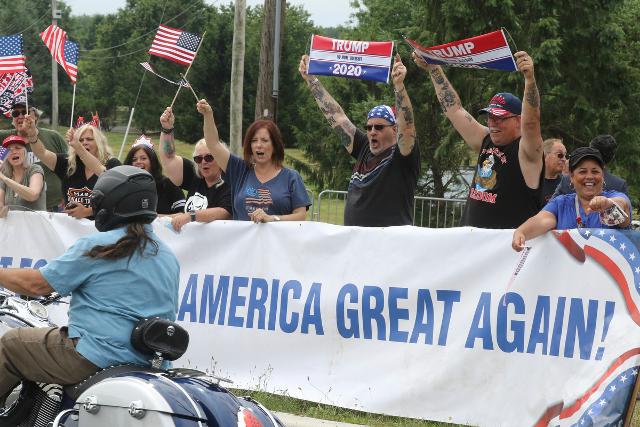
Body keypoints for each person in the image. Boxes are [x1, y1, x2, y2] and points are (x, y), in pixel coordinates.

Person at [0, 165, 180, 400]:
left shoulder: (101, 245)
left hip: (96, 355)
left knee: (11, 344)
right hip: (149, 362)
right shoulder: (168, 256)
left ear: (110, 204)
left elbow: (38, 285)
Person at [413, 51, 544, 229]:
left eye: (500, 118)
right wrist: (433, 69)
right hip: (472, 245)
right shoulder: (486, 139)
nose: (493, 124)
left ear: (518, 120)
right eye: (489, 118)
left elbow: (532, 123)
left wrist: (529, 80)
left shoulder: (527, 152)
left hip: (507, 249)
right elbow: (454, 109)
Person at [299, 54, 419, 227]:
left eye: (379, 127)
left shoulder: (402, 155)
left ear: (394, 130)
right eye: (369, 127)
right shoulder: (364, 147)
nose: (372, 132)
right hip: (355, 244)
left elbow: (407, 127)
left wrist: (399, 86)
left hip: (389, 246)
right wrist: (311, 80)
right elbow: (337, 116)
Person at [195, 101, 310, 223]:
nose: (258, 145)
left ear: (275, 146)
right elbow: (213, 144)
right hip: (243, 241)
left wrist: (272, 218)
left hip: (278, 242)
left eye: (265, 140)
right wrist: (208, 115)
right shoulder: (239, 170)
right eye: (254, 141)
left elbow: (300, 216)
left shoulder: (291, 177)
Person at [512, 147, 631, 251]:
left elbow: (622, 206)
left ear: (602, 176)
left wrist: (608, 204)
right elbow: (541, 220)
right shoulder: (561, 203)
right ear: (572, 178)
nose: (589, 176)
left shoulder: (615, 196)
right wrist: (521, 232)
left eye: (595, 171)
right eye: (582, 171)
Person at [23, 121, 121, 219]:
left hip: (102, 228)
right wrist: (32, 136)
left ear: (99, 142)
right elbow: (42, 153)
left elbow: (118, 200)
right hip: (71, 228)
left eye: (89, 139)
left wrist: (87, 212)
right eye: (80, 140)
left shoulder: (112, 164)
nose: (84, 142)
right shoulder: (68, 164)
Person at [158, 109, 232, 231]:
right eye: (198, 159)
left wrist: (190, 216)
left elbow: (225, 212)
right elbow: (169, 159)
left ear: (220, 157)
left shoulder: (231, 180)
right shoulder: (196, 176)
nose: (203, 162)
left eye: (209, 157)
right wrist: (167, 128)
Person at [0, 101, 67, 211]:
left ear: (35, 116)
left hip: (55, 209)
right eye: (15, 114)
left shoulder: (52, 137)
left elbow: (71, 167)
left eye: (25, 111)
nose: (20, 116)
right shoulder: (5, 139)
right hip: (16, 212)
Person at [552, 134, 628, 198]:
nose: (589, 177)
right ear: (612, 157)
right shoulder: (619, 185)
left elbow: (549, 208)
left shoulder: (566, 180)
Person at [124, 138, 185, 214]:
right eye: (134, 159)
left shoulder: (167, 183)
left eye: (143, 158)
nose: (138, 162)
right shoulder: (125, 187)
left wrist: (155, 219)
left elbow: (182, 214)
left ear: (152, 161)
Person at [0, 135, 46, 215]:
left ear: (25, 151)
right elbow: (1, 205)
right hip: (14, 226)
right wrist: (2, 210)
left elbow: (33, 195)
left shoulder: (35, 169)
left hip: (36, 225)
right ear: (6, 156)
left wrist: (4, 179)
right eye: (9, 150)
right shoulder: (5, 174)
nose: (14, 152)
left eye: (18, 148)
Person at [542, 138, 567, 202]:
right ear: (545, 156)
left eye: (565, 155)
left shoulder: (566, 182)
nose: (564, 159)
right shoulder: (533, 183)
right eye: (560, 155)